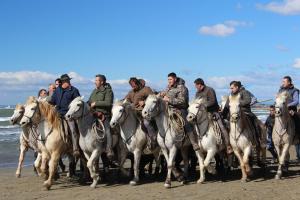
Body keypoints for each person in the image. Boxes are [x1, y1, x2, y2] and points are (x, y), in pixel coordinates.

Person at [160, 72, 200, 152]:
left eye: (170, 79)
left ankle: (193, 143)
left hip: (180, 109)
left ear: (175, 79)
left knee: (186, 122)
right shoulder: (168, 87)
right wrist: (160, 94)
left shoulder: (182, 88)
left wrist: (169, 100)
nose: (169, 81)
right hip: (168, 109)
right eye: (168, 79)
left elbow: (182, 101)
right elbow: (164, 94)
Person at [194, 78, 232, 154]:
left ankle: (228, 146)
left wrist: (203, 105)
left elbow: (212, 101)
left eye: (196, 86)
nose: (195, 87)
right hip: (202, 113)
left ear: (200, 85)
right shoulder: (197, 93)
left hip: (213, 112)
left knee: (222, 126)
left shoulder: (210, 90)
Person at [48, 74, 81, 157]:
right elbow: (53, 101)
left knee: (73, 130)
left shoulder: (74, 90)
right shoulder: (57, 90)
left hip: (69, 115)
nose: (68, 82)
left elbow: (78, 102)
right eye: (67, 81)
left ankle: (76, 148)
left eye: (69, 81)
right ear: (62, 82)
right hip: (58, 114)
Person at [222, 81, 261, 146]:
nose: (231, 90)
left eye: (232, 88)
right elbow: (226, 105)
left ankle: (255, 141)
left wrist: (237, 102)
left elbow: (248, 100)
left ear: (237, 87)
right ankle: (228, 144)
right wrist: (223, 114)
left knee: (254, 124)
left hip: (245, 112)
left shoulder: (244, 92)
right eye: (231, 88)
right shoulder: (231, 95)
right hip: (233, 113)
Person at [125, 77, 157, 149]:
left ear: (137, 83)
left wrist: (144, 102)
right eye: (131, 85)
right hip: (134, 112)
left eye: (133, 85)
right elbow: (126, 99)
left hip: (144, 112)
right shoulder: (131, 92)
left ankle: (153, 139)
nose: (132, 87)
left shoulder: (146, 89)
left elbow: (153, 98)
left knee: (146, 123)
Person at [88, 74, 114, 158]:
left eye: (96, 80)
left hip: (104, 115)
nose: (95, 82)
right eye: (95, 80)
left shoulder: (108, 91)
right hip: (93, 114)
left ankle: (109, 149)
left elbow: (108, 103)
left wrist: (96, 103)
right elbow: (89, 101)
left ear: (102, 82)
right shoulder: (94, 91)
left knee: (107, 130)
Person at [278, 76, 300, 161]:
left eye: (284, 81)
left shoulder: (294, 90)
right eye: (282, 81)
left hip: (291, 110)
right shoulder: (280, 90)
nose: (282, 83)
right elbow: (278, 99)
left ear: (289, 82)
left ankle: (297, 136)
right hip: (281, 110)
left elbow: (296, 101)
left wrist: (287, 105)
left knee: (297, 120)